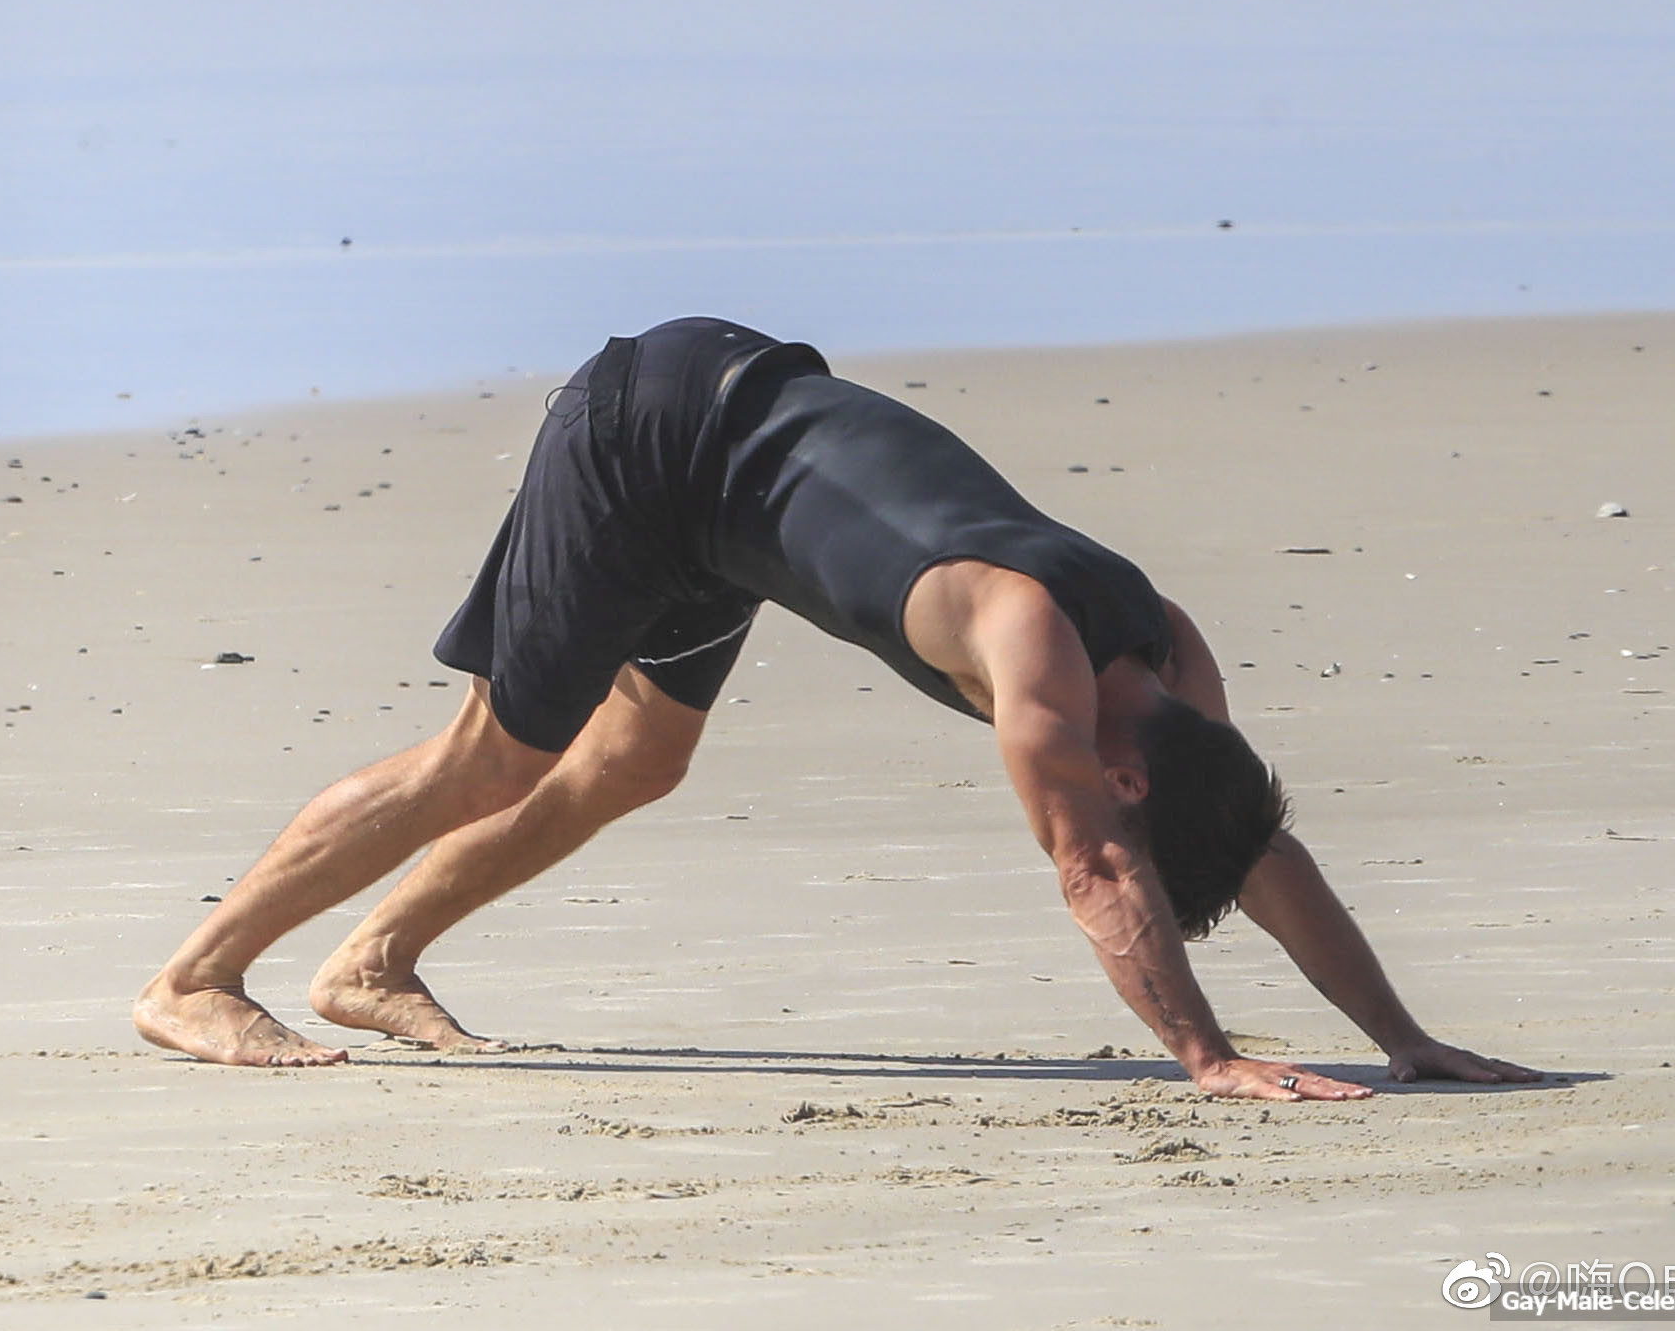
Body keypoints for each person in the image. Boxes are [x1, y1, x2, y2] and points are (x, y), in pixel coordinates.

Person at [134, 317, 1539, 1099]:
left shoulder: (1172, 675)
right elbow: (1095, 872)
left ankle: (371, 964)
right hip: (652, 444)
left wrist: (1396, 1034)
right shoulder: (1042, 661)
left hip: (735, 481)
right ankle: (194, 983)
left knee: (637, 761)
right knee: (493, 759)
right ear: (1127, 779)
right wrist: (1207, 1057)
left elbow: (1256, 848)